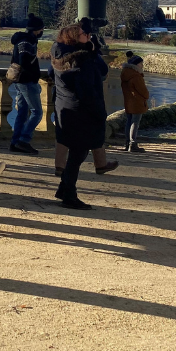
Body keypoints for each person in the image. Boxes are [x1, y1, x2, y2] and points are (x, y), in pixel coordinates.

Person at [50, 18, 109, 210]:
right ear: (76, 38)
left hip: (64, 109)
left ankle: (65, 189)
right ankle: (68, 194)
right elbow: (88, 89)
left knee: (78, 151)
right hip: (81, 112)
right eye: (86, 35)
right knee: (78, 153)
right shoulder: (82, 60)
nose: (89, 36)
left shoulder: (59, 56)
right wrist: (99, 112)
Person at [8, 14, 44, 154]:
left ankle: (15, 142)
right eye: (41, 29)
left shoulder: (24, 39)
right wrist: (32, 71)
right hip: (27, 81)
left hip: (20, 81)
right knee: (37, 112)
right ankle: (24, 140)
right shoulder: (27, 42)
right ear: (37, 30)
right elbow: (24, 61)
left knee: (22, 113)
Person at [120, 51, 149, 152]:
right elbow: (143, 91)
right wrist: (146, 96)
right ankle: (132, 144)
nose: (142, 65)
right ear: (136, 64)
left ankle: (127, 143)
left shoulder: (125, 74)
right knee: (135, 123)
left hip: (128, 101)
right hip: (137, 102)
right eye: (141, 63)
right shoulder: (136, 76)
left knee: (129, 122)